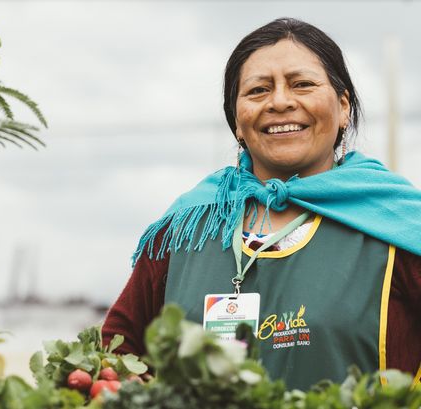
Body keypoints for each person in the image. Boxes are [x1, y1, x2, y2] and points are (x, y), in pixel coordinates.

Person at [102, 18, 421, 390]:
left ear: (344, 107)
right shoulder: (186, 227)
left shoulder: (398, 224)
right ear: (237, 120)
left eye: (302, 84)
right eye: (258, 90)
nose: (281, 101)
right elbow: (117, 356)